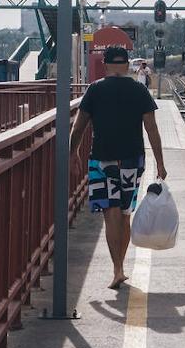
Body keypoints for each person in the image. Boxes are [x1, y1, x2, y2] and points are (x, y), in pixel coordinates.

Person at [69, 45, 167, 290]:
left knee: (110, 213)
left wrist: (72, 153)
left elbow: (79, 127)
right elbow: (151, 128)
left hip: (102, 160)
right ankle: (120, 266)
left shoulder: (95, 90)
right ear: (126, 65)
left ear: (105, 64)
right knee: (124, 214)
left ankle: (117, 269)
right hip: (132, 159)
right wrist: (160, 163)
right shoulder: (139, 90)